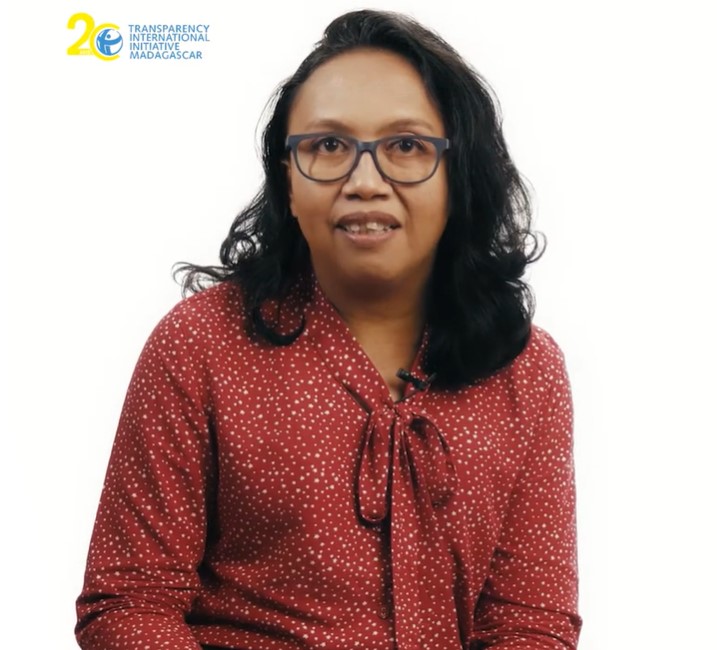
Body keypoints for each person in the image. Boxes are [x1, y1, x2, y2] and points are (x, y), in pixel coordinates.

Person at [75, 9, 581, 650]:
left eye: (406, 146)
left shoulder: (526, 368)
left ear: (460, 177)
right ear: (287, 179)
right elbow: (128, 605)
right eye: (328, 147)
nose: (365, 183)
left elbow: (530, 625)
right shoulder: (199, 344)